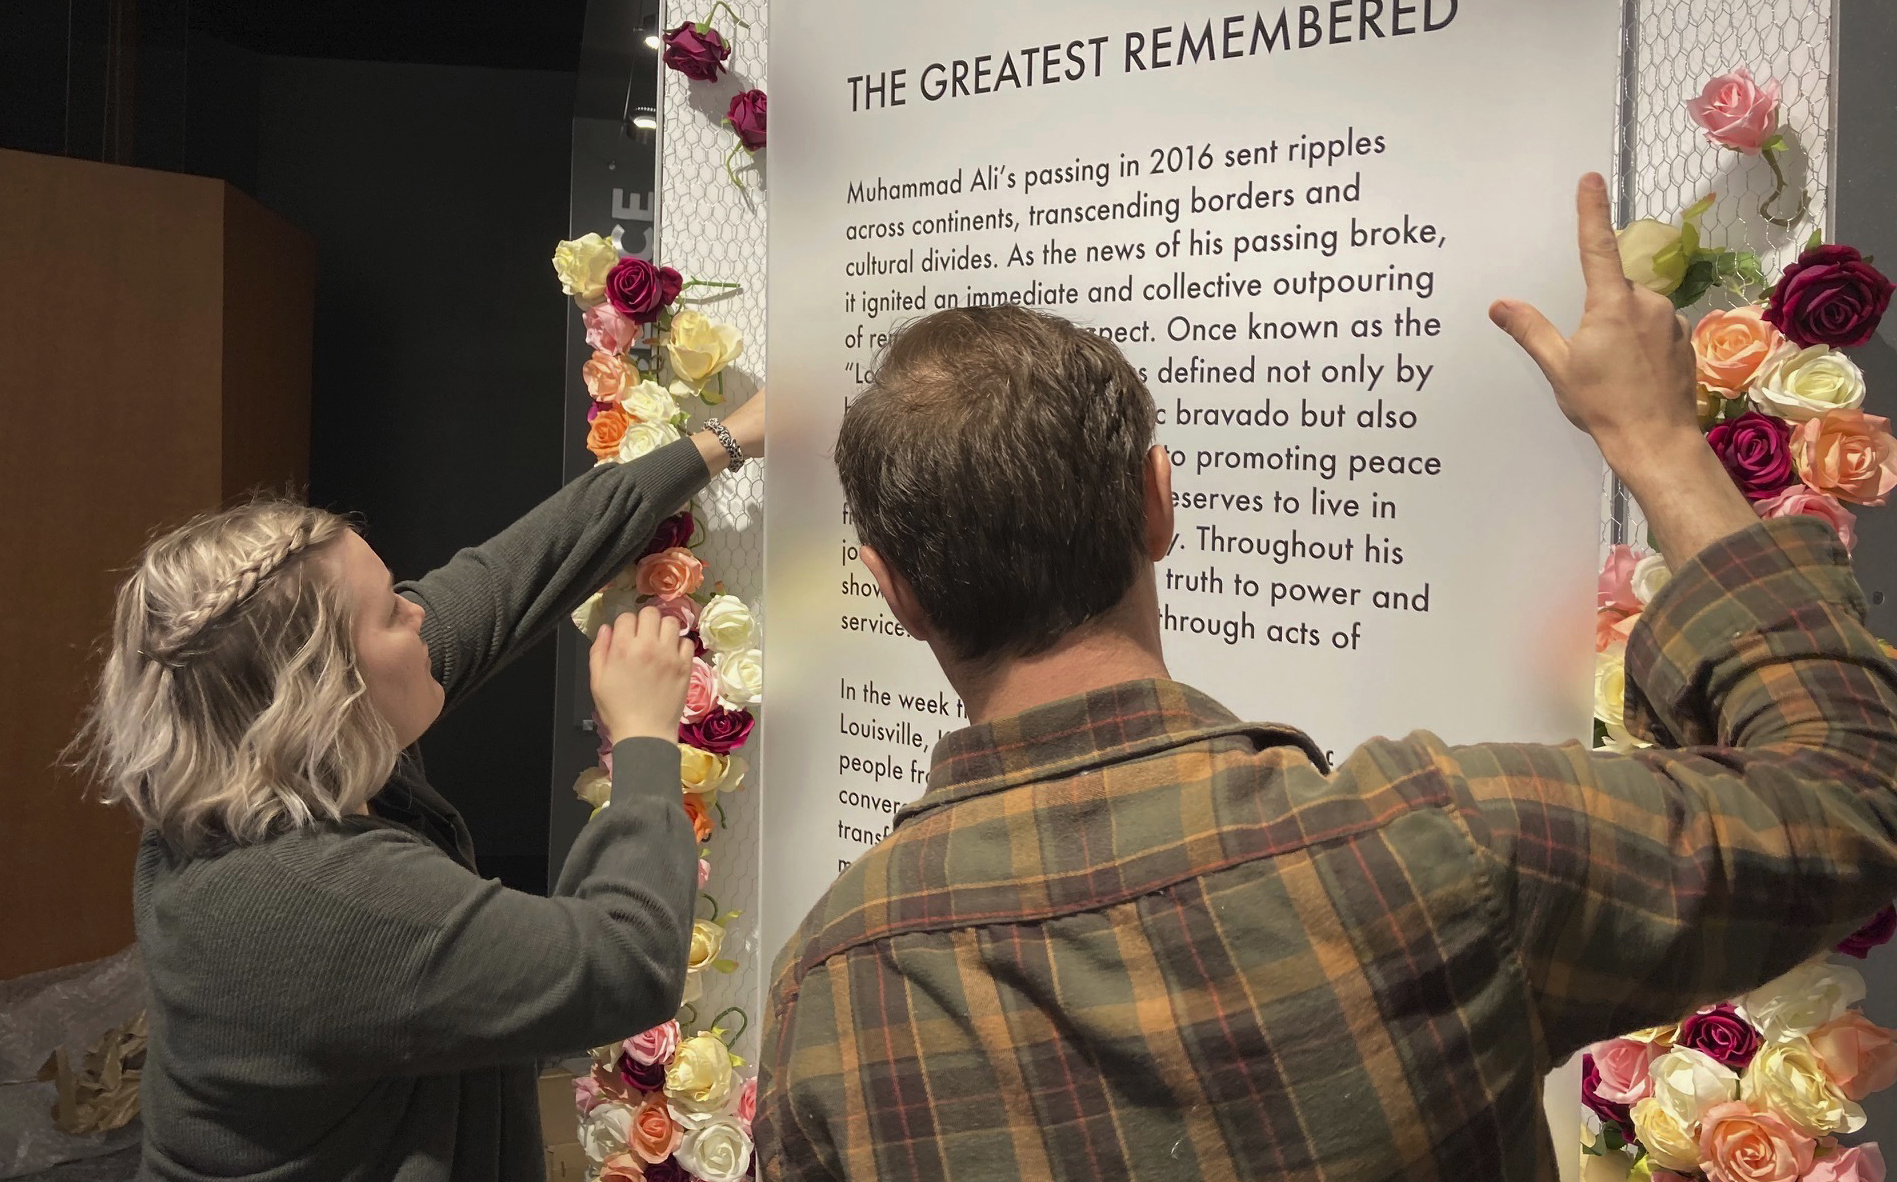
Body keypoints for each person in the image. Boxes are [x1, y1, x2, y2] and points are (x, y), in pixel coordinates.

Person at [755, 176, 1897, 1181]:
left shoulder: (834, 989)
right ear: (1157, 500)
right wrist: (1657, 444)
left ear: (890, 586)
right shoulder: (1433, 848)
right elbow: (1850, 789)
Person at [72, 396, 764, 1181]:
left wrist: (723, 441)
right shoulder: (322, 902)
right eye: (390, 613)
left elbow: (501, 582)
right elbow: (624, 963)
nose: (419, 611)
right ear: (323, 693)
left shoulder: (252, 772)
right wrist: (643, 737)